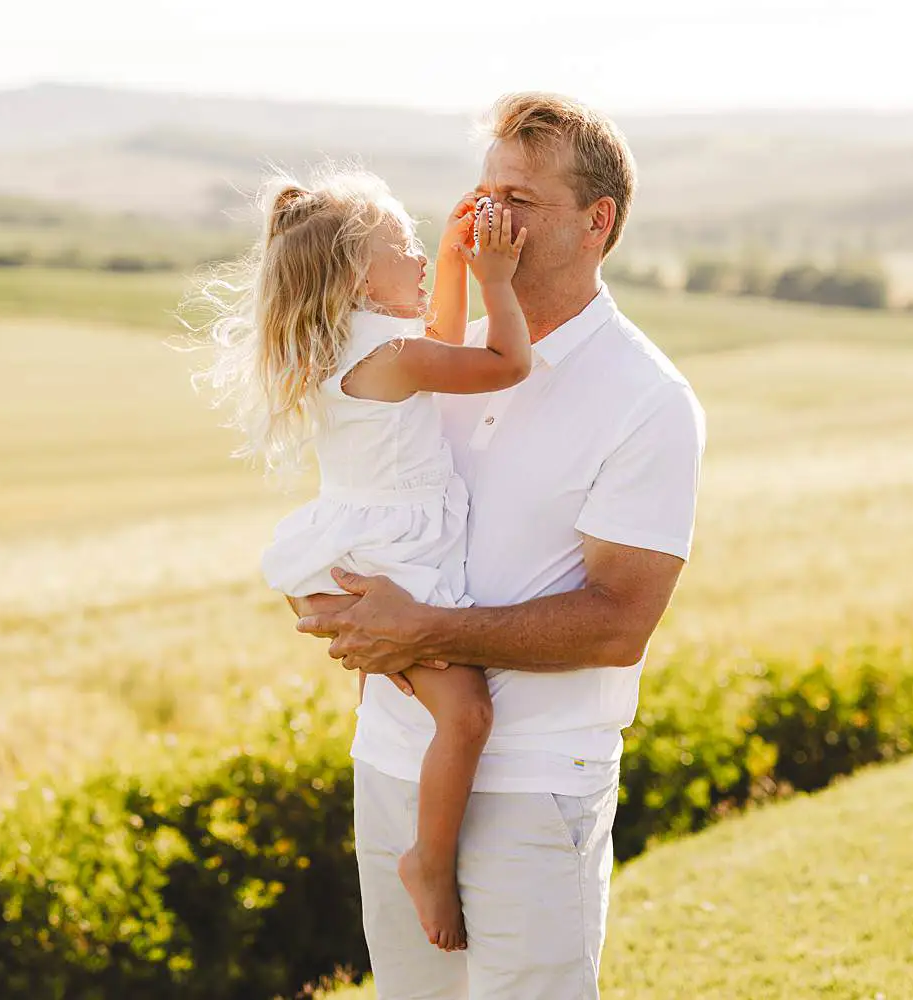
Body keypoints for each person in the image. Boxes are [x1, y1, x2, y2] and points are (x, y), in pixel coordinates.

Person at [293, 93, 706, 999]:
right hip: (392, 767)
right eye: (481, 190)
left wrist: (424, 630)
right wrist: (353, 615)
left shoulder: (648, 400)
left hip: (534, 786)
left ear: (597, 222)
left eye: (517, 198)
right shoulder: (437, 352)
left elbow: (616, 625)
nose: (489, 215)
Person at [185, 167, 532, 952]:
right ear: (356, 277)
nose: (416, 256)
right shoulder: (390, 353)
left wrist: (446, 263)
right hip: (389, 568)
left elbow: (433, 344)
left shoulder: (352, 342)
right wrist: (495, 280)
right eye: (403, 246)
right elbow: (502, 363)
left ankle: (427, 851)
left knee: (456, 710)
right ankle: (428, 862)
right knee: (469, 714)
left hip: (346, 556)